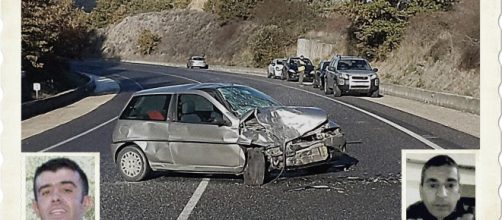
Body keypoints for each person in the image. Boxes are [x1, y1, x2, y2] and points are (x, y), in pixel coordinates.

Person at [407, 155, 475, 220]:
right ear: (421, 191)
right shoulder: (409, 214)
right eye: (433, 185)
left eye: (450, 185)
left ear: (459, 191)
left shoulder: (472, 214)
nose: (442, 194)